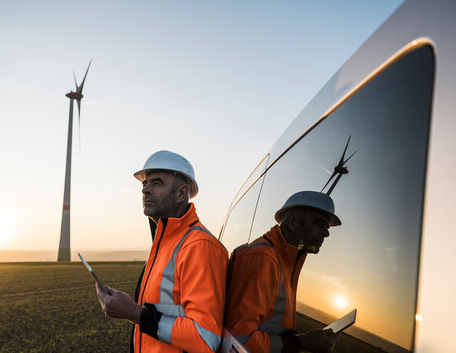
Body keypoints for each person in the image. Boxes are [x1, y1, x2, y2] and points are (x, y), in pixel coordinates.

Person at [94, 150, 228, 353]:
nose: (145, 190)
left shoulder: (199, 246)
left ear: (182, 193)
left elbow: (204, 338)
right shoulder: (165, 244)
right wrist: (132, 308)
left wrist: (133, 312)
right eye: (144, 184)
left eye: (156, 183)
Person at [224, 191, 341, 353]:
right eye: (320, 223)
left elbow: (269, 328)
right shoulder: (264, 258)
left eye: (327, 227)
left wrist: (302, 340)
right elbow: (238, 339)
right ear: (293, 221)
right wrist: (303, 342)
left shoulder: (285, 259)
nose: (326, 233)